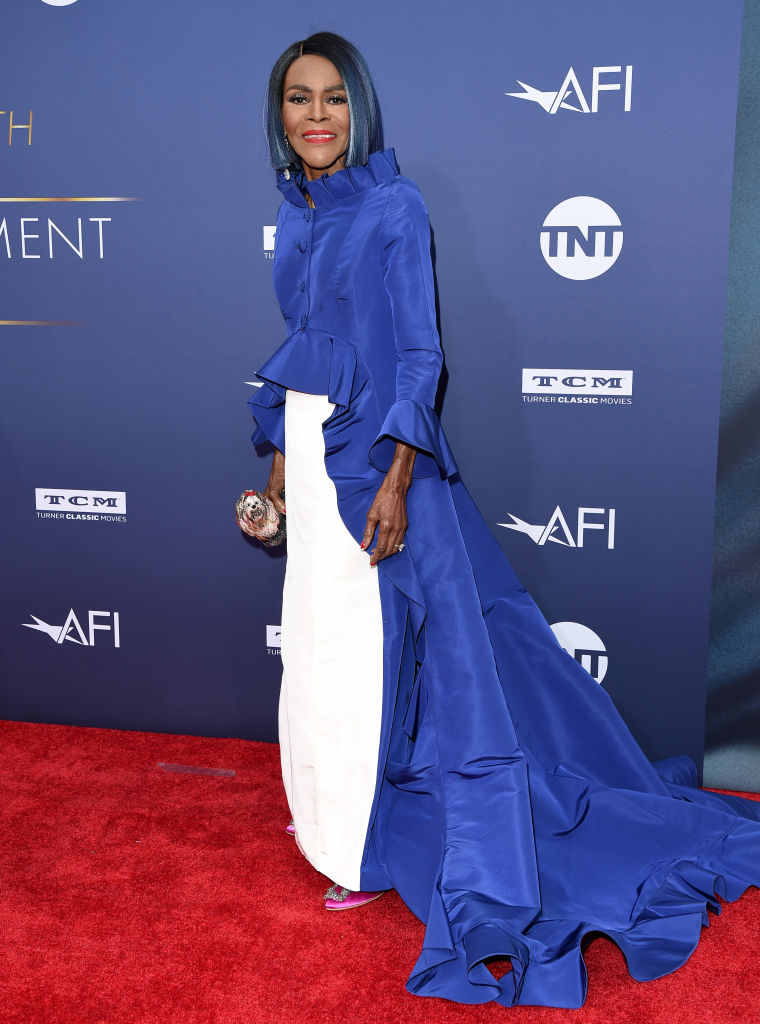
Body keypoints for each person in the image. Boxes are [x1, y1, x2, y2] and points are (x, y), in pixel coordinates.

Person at [247, 31, 760, 1010]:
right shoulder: (297, 210)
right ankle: (327, 823)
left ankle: (366, 838)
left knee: (379, 659)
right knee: (322, 654)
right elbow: (301, 347)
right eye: (296, 99)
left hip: (373, 471)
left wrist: (396, 478)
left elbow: (414, 359)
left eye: (333, 99)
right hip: (313, 469)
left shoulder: (395, 207)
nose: (315, 115)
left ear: (360, 107)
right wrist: (277, 460)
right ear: (278, 115)